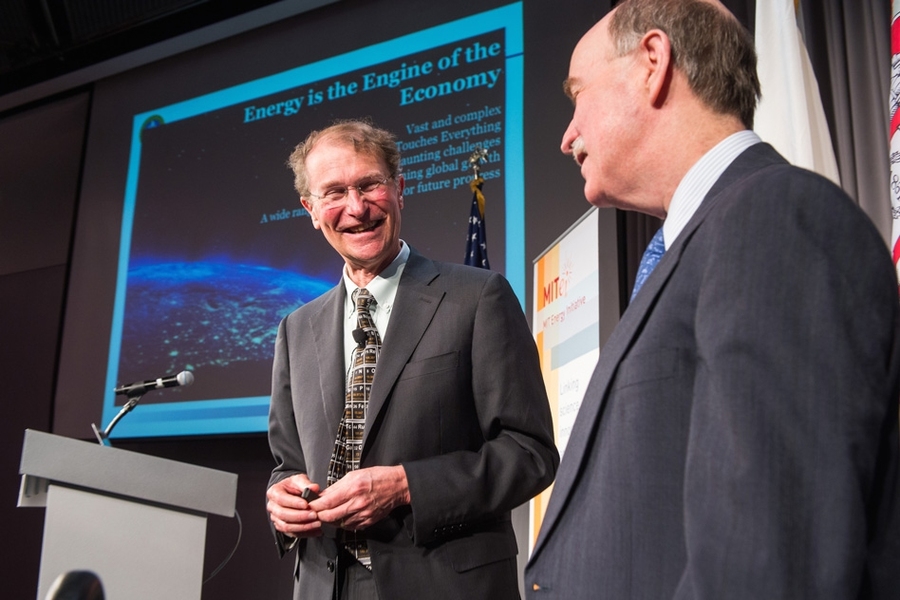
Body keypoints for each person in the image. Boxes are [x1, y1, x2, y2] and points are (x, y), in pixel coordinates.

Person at [525, 0, 900, 598]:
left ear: (653, 62)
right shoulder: (706, 240)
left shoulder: (772, 218)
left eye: (578, 95)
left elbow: (768, 564)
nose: (568, 136)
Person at [266, 119, 558, 600]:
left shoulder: (478, 298)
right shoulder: (297, 329)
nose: (356, 208)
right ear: (311, 210)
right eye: (334, 193)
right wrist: (282, 502)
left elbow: (529, 453)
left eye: (370, 185)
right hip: (325, 585)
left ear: (400, 189)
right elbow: (286, 464)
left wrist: (406, 487)